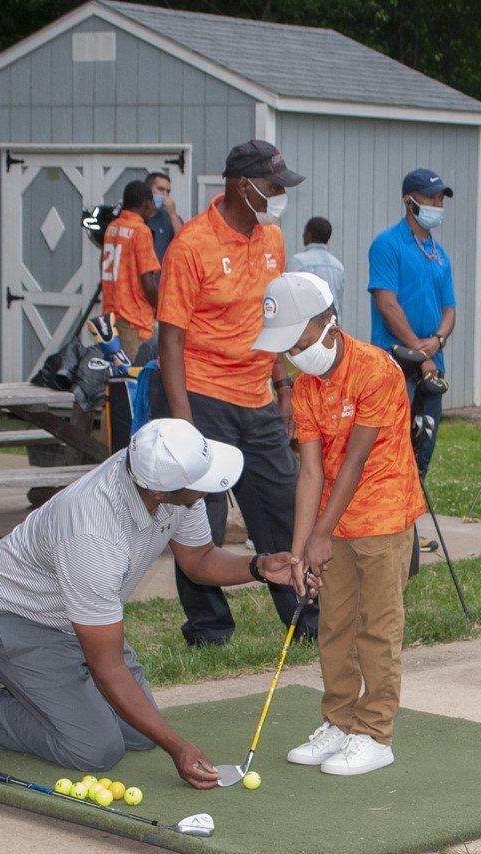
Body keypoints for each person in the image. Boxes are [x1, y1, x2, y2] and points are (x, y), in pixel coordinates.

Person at [0, 418, 298, 787]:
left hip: (77, 618)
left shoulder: (165, 483)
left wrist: (259, 567)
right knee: (94, 749)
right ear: (160, 492)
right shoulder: (92, 533)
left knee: (139, 735)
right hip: (11, 618)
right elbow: (107, 667)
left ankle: (52, 692)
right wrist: (177, 747)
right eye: (199, 482)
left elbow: (199, 559)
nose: (208, 488)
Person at [252, 272, 424, 776]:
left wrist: (320, 535)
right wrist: (300, 548)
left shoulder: (377, 369)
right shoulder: (307, 387)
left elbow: (354, 460)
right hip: (335, 520)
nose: (294, 354)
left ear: (328, 322)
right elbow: (310, 471)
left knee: (377, 627)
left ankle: (376, 733)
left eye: (299, 341)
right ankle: (341, 721)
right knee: (334, 625)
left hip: (383, 515)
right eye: (287, 348)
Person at [152, 139, 307, 647]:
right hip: (201, 396)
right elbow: (170, 340)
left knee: (283, 506)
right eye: (273, 186)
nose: (280, 195)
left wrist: (283, 386)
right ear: (244, 186)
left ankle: (305, 617)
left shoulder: (272, 237)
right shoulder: (191, 245)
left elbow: (274, 320)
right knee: (202, 519)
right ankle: (209, 629)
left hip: (257, 396)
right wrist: (183, 424)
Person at [368, 168, 456, 553]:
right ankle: (387, 529)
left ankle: (409, 531)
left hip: (432, 363)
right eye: (431, 198)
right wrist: (419, 352)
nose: (437, 205)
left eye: (440, 199)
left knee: (423, 447)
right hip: (396, 362)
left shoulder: (439, 254)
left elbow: (450, 309)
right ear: (410, 201)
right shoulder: (388, 245)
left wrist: (437, 340)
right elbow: (387, 304)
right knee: (393, 446)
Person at [100, 180, 161, 360]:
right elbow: (147, 282)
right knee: (134, 373)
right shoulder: (140, 231)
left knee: (113, 370)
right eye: (152, 204)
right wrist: (162, 308)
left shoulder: (112, 227)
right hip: (133, 320)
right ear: (146, 204)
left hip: (110, 316)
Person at [287, 217, 345, 318]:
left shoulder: (298, 262)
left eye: (304, 231)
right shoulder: (338, 267)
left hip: (307, 325)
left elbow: (288, 295)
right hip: (332, 324)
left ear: (308, 235)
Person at [146, 171, 183, 264]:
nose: (165, 195)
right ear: (147, 190)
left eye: (168, 192)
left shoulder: (170, 217)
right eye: (161, 189)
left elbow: (183, 242)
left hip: (162, 272)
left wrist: (173, 214)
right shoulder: (136, 214)